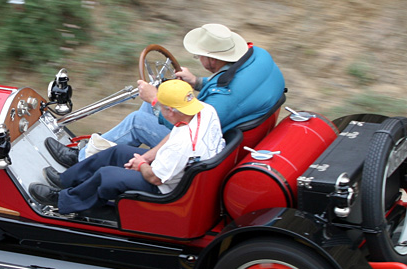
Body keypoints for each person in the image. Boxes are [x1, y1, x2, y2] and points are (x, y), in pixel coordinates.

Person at [45, 23, 285, 167]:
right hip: (240, 130)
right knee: (146, 112)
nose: (199, 61)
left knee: (138, 121)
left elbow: (195, 123)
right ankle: (101, 153)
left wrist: (154, 98)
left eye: (199, 57)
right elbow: (236, 87)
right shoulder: (258, 56)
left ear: (212, 58)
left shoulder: (225, 93)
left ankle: (82, 158)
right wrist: (197, 81)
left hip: (208, 147)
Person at [31, 80, 224, 214]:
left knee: (108, 176)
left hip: (169, 188)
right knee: (117, 151)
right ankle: (67, 179)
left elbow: (155, 178)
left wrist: (141, 165)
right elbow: (174, 134)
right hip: (177, 168)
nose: (157, 110)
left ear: (171, 111)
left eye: (160, 108)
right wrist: (146, 157)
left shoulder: (182, 145)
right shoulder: (204, 111)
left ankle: (64, 201)